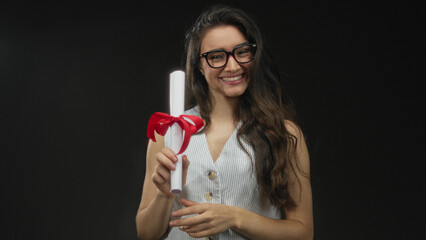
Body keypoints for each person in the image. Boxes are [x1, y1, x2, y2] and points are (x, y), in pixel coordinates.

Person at [136, 5, 313, 240]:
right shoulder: (167, 132)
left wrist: (234, 218)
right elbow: (146, 233)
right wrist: (164, 196)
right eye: (216, 56)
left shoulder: (284, 134)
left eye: (241, 52)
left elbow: (303, 233)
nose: (232, 66)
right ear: (199, 65)